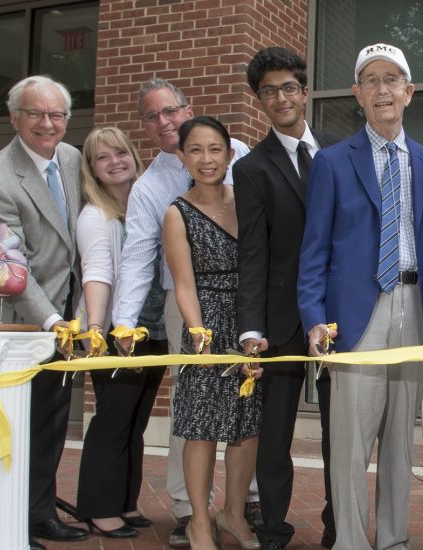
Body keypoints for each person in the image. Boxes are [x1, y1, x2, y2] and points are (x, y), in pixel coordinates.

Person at [297, 43, 423, 550]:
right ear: (358, 94)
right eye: (372, 80)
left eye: (393, 79)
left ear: (409, 92)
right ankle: (351, 543)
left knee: (400, 445)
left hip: (414, 309)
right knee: (350, 446)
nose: (383, 89)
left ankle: (393, 541)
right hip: (356, 316)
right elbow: (313, 250)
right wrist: (314, 317)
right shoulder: (333, 163)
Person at [109, 77, 254, 548]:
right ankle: (186, 509)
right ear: (144, 127)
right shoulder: (151, 189)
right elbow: (136, 257)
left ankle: (237, 505)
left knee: (245, 411)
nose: (163, 122)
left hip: (246, 303)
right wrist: (125, 321)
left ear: (186, 107)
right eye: (151, 116)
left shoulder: (243, 157)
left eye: (169, 110)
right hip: (188, 305)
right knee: (195, 415)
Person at [0, 75, 87, 550]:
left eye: (56, 114)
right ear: (15, 118)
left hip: (64, 320)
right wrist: (52, 321)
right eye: (35, 113)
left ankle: (39, 514)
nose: (47, 123)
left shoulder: (72, 159)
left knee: (51, 424)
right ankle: (10, 521)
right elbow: (9, 270)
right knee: (14, 429)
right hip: (16, 325)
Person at [234, 46, 339, 550]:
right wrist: (251, 328)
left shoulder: (340, 153)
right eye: (269, 91)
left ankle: (338, 526)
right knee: (274, 436)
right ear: (260, 100)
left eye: (289, 87)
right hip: (278, 318)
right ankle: (273, 528)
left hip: (337, 315)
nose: (281, 98)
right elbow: (252, 253)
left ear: (305, 91)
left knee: (340, 432)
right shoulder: (252, 168)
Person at [164, 116, 262, 550]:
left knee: (246, 423)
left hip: (249, 322)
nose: (207, 159)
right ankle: (199, 521)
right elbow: (184, 285)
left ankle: (234, 514)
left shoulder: (248, 200)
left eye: (215, 149)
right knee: (201, 427)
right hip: (204, 324)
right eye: (197, 150)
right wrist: (198, 334)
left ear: (230, 153)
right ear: (183, 157)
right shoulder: (176, 212)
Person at [74, 127, 165, 538]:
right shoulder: (96, 215)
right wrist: (97, 332)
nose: (115, 162)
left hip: (155, 331)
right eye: (102, 157)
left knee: (135, 422)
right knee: (112, 421)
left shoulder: (146, 203)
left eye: (120, 153)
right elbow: (97, 272)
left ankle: (125, 502)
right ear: (92, 169)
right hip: (117, 333)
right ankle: (98, 507)